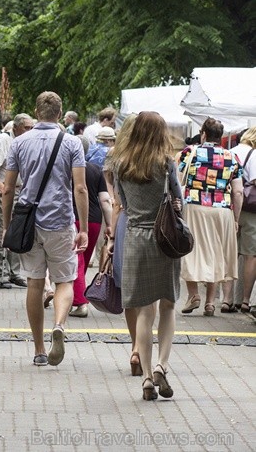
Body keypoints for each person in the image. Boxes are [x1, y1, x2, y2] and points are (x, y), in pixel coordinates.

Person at [2, 91, 88, 367]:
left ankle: (39, 348)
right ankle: (59, 325)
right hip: (60, 220)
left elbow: (7, 189)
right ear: (60, 114)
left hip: (29, 222)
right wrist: (83, 227)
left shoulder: (19, 143)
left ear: (36, 112)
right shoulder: (72, 143)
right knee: (64, 280)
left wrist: (7, 226)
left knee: (35, 283)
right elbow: (80, 188)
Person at [107, 111, 183, 401]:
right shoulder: (166, 164)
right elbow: (178, 201)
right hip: (165, 239)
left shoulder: (120, 165)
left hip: (136, 238)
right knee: (167, 305)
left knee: (143, 310)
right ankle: (164, 363)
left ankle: (148, 378)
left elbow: (123, 204)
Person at [179, 118, 243, 317]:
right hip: (221, 209)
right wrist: (235, 219)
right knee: (216, 252)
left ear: (203, 134)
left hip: (194, 206)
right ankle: (210, 303)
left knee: (190, 249)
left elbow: (176, 181)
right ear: (221, 136)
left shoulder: (188, 153)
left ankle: (193, 295)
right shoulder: (231, 157)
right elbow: (238, 191)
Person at [103, 113, 143, 375]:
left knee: (128, 293)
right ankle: (142, 346)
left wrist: (112, 238)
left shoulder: (118, 159)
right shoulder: (160, 159)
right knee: (148, 294)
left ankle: (135, 348)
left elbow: (117, 202)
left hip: (125, 226)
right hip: (150, 229)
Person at [0, 115, 33, 289]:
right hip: (3, 191)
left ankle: (14, 272)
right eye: (27, 127)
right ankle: (0, 274)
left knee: (17, 230)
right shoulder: (3, 140)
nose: (30, 131)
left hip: (20, 191)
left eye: (31, 127)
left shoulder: (27, 141)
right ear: (16, 127)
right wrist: (0, 186)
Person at [70, 143, 113, 317]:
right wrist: (110, 225)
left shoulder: (67, 168)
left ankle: (80, 302)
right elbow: (105, 200)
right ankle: (75, 296)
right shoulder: (96, 169)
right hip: (94, 220)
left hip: (73, 219)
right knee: (83, 260)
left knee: (77, 262)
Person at [231, 126, 256, 315]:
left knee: (232, 253)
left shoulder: (231, 152)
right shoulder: (253, 154)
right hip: (249, 210)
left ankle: (227, 299)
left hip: (230, 206)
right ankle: (246, 300)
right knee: (250, 255)